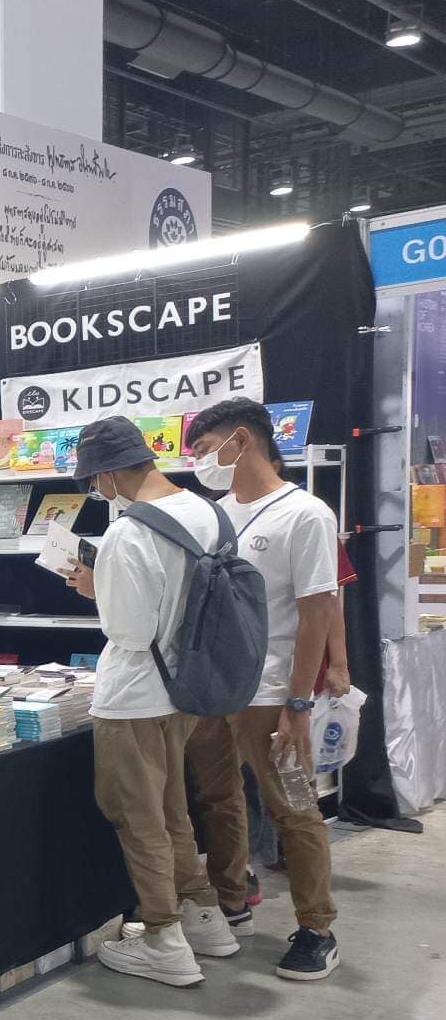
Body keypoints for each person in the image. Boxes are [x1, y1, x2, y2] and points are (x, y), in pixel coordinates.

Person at [180, 399, 345, 981]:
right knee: (218, 797)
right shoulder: (215, 515)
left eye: (205, 450)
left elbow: (317, 611)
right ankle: (231, 901)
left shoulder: (306, 514)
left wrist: (299, 703)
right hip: (215, 687)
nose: (200, 463)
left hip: (273, 690)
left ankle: (317, 928)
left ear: (241, 441)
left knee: (294, 807)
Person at [62, 416, 228, 987]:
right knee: (172, 808)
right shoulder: (208, 512)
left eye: (94, 480)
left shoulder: (129, 533)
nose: (96, 490)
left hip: (133, 694)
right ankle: (204, 916)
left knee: (139, 818)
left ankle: (164, 938)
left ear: (108, 474)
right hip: (186, 686)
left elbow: (129, 631)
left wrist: (95, 588)